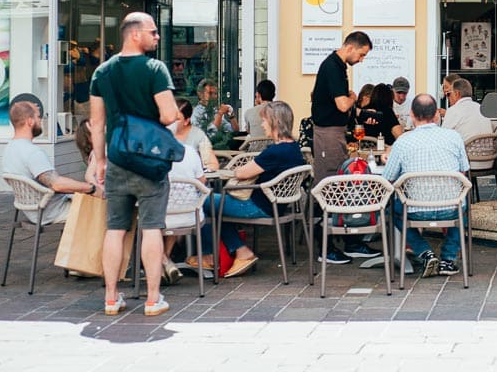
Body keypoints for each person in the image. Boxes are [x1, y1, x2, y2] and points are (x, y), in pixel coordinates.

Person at [89, 11, 180, 317]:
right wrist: (168, 116)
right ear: (134, 34)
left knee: (115, 228)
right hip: (149, 163)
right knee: (152, 227)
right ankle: (153, 299)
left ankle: (111, 298)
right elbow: (168, 115)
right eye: (153, 32)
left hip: (117, 159)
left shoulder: (102, 72)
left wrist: (100, 160)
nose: (157, 37)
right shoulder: (155, 69)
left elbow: (96, 122)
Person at [186, 101, 305, 279]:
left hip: (257, 205)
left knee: (201, 201)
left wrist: (232, 171)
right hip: (277, 205)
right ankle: (235, 251)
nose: (262, 125)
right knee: (217, 206)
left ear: (274, 122)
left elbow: (242, 173)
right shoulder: (294, 149)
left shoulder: (275, 152)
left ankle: (214, 255)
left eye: (264, 120)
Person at [382, 94, 471, 277]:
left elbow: (388, 178)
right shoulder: (454, 137)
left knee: (390, 207)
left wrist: (388, 157)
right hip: (451, 208)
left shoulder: (403, 141)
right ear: (437, 115)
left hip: (415, 209)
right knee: (464, 202)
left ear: (412, 115)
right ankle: (448, 259)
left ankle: (424, 252)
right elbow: (463, 171)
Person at [310, 30, 375, 264]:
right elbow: (341, 105)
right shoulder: (333, 67)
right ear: (350, 47)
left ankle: (349, 241)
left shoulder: (336, 66)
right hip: (328, 134)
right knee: (329, 186)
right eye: (361, 54)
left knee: (339, 185)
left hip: (333, 134)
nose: (361, 59)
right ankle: (325, 248)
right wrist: (353, 97)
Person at [2, 100, 101, 226]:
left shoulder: (9, 149)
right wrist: (92, 188)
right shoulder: (33, 152)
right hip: (53, 212)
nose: (41, 121)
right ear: (30, 121)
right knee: (107, 208)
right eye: (38, 117)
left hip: (33, 211)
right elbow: (57, 184)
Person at [161, 133, 207, 286]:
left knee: (145, 218)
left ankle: (163, 260)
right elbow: (202, 181)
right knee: (175, 208)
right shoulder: (189, 151)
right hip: (189, 215)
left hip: (160, 216)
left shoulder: (149, 153)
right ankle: (166, 262)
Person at [171, 99, 219, 172]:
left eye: (176, 119)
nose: (171, 121)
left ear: (186, 121)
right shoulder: (163, 133)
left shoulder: (198, 136)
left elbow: (212, 164)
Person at [442, 78, 494, 142]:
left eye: (449, 94)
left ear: (456, 94)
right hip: (488, 151)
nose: (448, 98)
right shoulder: (482, 109)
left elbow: (443, 137)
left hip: (465, 150)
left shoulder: (453, 110)